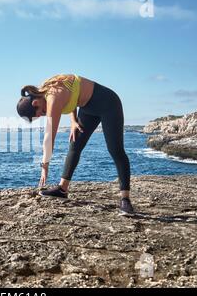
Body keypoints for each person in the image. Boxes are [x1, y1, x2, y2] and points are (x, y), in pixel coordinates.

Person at [16, 74, 134, 215]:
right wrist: (73, 120)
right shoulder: (48, 94)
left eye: (41, 113)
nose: (43, 114)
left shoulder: (52, 97)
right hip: (87, 108)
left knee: (115, 150)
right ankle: (62, 189)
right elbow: (72, 95)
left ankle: (125, 200)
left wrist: (44, 166)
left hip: (108, 104)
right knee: (75, 144)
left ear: (35, 103)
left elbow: (49, 138)